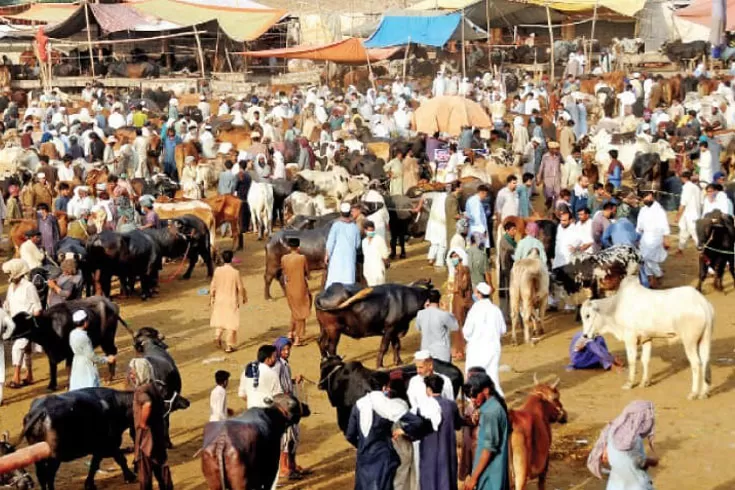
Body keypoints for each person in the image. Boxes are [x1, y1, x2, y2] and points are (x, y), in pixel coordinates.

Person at [347, 375, 428, 490]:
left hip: (364, 458)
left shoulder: (358, 405)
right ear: (385, 387)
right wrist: (403, 430)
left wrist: (362, 446)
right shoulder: (388, 405)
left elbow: (350, 435)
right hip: (384, 457)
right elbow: (417, 422)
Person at [587, 401, 657, 490]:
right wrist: (651, 461)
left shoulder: (612, 432)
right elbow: (639, 463)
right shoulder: (634, 439)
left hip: (616, 484)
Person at [128, 357, 173, 490]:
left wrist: (142, 422)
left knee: (145, 472)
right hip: (158, 434)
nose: (131, 375)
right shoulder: (154, 387)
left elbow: (147, 404)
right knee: (162, 468)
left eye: (133, 372)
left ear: (140, 372)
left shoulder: (141, 391)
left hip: (146, 437)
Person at [462, 373, 510, 490]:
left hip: (489, 476)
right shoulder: (493, 407)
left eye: (475, 396)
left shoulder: (490, 413)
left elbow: (488, 450)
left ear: (486, 390)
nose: (473, 400)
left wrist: (473, 478)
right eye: (470, 397)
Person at [416, 374, 461, 490]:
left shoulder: (423, 407)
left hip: (428, 453)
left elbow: (416, 429)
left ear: (429, 389)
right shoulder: (451, 405)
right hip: (447, 452)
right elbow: (458, 424)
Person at [2, 259, 41, 390]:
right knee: (27, 350)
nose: (8, 276)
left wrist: (33, 320)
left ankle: (16, 377)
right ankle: (29, 375)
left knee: (18, 348)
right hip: (15, 324)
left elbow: (37, 306)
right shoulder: (11, 287)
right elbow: (8, 302)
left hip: (27, 323)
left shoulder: (29, 286)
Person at [273, 337, 308, 480]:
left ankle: (292, 465)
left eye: (288, 349)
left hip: (290, 403)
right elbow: (278, 387)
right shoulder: (277, 366)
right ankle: (284, 467)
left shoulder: (285, 365)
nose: (287, 352)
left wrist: (294, 381)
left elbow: (286, 383)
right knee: (285, 438)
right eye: (284, 349)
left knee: (294, 436)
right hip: (283, 405)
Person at [463, 282, 506, 397]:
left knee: (473, 375)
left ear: (479, 294)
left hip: (476, 348)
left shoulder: (474, 310)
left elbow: (467, 331)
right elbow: (503, 330)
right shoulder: (495, 310)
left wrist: (470, 339)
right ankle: (497, 397)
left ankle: (472, 398)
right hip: (493, 347)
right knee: (492, 375)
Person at [210, 250, 247, 353]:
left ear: (222, 258)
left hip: (219, 299)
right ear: (232, 259)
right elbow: (240, 287)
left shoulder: (217, 270)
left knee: (220, 319)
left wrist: (212, 297)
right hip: (231, 300)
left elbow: (213, 285)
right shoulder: (235, 273)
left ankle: (217, 337)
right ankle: (229, 346)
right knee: (231, 323)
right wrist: (244, 297)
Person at [69, 310, 114, 390]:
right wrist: (107, 359)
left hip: (77, 363)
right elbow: (92, 357)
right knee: (90, 390)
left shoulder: (72, 334)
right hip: (87, 365)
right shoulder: (84, 337)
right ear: (85, 322)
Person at [636, 191, 670, 288]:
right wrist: (637, 237)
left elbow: (665, 225)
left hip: (656, 237)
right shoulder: (643, 210)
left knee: (648, 257)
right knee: (644, 258)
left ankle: (658, 275)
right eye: (644, 198)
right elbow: (639, 226)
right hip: (644, 237)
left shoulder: (659, 210)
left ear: (652, 197)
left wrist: (666, 238)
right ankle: (652, 278)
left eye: (648, 197)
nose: (646, 199)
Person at [415, 289, 459, 363]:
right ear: (439, 299)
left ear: (428, 300)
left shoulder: (420, 313)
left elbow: (417, 328)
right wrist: (447, 311)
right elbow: (455, 327)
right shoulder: (443, 314)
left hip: (426, 352)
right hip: (441, 353)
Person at [281, 238, 311, 346]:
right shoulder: (302, 258)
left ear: (289, 247)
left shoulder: (284, 258)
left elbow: (284, 271)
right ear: (298, 247)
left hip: (289, 288)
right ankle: (298, 337)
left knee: (294, 311)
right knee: (301, 313)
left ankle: (290, 332)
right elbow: (307, 273)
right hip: (301, 287)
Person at [325, 202, 361, 286]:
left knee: (333, 280)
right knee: (348, 282)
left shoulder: (336, 226)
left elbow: (330, 242)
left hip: (336, 259)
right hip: (349, 259)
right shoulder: (354, 227)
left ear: (341, 213)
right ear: (349, 213)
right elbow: (358, 245)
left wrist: (327, 255)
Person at [497, 221, 517, 320]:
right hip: (505, 269)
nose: (515, 231)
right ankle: (505, 316)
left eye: (515, 229)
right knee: (506, 293)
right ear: (507, 230)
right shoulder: (504, 240)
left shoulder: (512, 240)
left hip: (511, 269)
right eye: (513, 229)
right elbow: (513, 250)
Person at [362, 220, 390, 286]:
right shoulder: (364, 242)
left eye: (372, 230)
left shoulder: (379, 239)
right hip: (368, 270)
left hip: (378, 270)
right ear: (365, 230)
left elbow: (385, 255)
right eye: (369, 231)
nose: (371, 232)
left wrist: (386, 264)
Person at [537, 141, 562, 209]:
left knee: (557, 194)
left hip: (557, 177)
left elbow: (564, 162)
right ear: (550, 149)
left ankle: (555, 209)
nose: (555, 150)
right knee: (548, 194)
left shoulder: (558, 156)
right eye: (554, 149)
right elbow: (541, 167)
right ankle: (549, 203)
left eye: (556, 148)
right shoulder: (545, 156)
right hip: (548, 177)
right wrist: (539, 178)